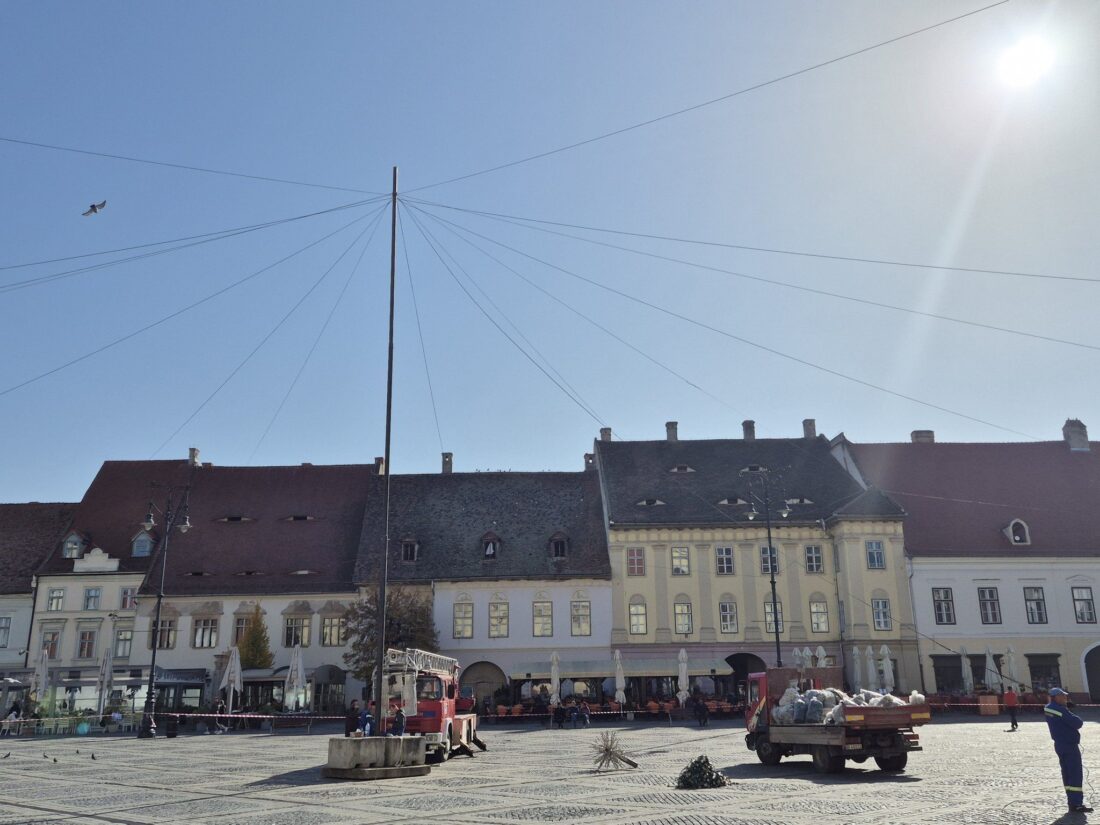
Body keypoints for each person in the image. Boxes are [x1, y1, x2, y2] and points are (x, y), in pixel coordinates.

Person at [1044, 687, 1092, 814]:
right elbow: (1078, 723)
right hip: (1069, 745)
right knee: (1075, 773)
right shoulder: (1060, 709)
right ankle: (1076, 804)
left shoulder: (1049, 708)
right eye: (1063, 696)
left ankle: (1072, 801)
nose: (1065, 698)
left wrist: (1065, 708)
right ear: (1057, 697)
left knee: (1067, 773)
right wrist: (1067, 710)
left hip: (1060, 744)